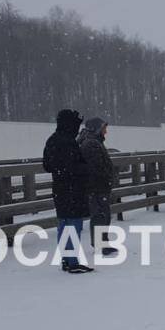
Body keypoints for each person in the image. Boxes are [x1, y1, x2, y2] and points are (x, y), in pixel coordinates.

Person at [42, 108, 93, 273]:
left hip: (59, 188)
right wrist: (86, 167)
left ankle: (66, 259)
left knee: (64, 223)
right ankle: (72, 262)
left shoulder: (52, 140)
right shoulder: (68, 142)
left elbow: (47, 165)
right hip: (73, 189)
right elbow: (72, 167)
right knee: (74, 224)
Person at [78, 116, 118, 256]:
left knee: (102, 215)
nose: (105, 132)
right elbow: (96, 167)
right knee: (100, 215)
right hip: (97, 187)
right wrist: (106, 176)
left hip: (98, 186)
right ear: (97, 129)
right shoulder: (91, 144)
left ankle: (102, 242)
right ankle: (100, 244)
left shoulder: (93, 142)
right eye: (104, 129)